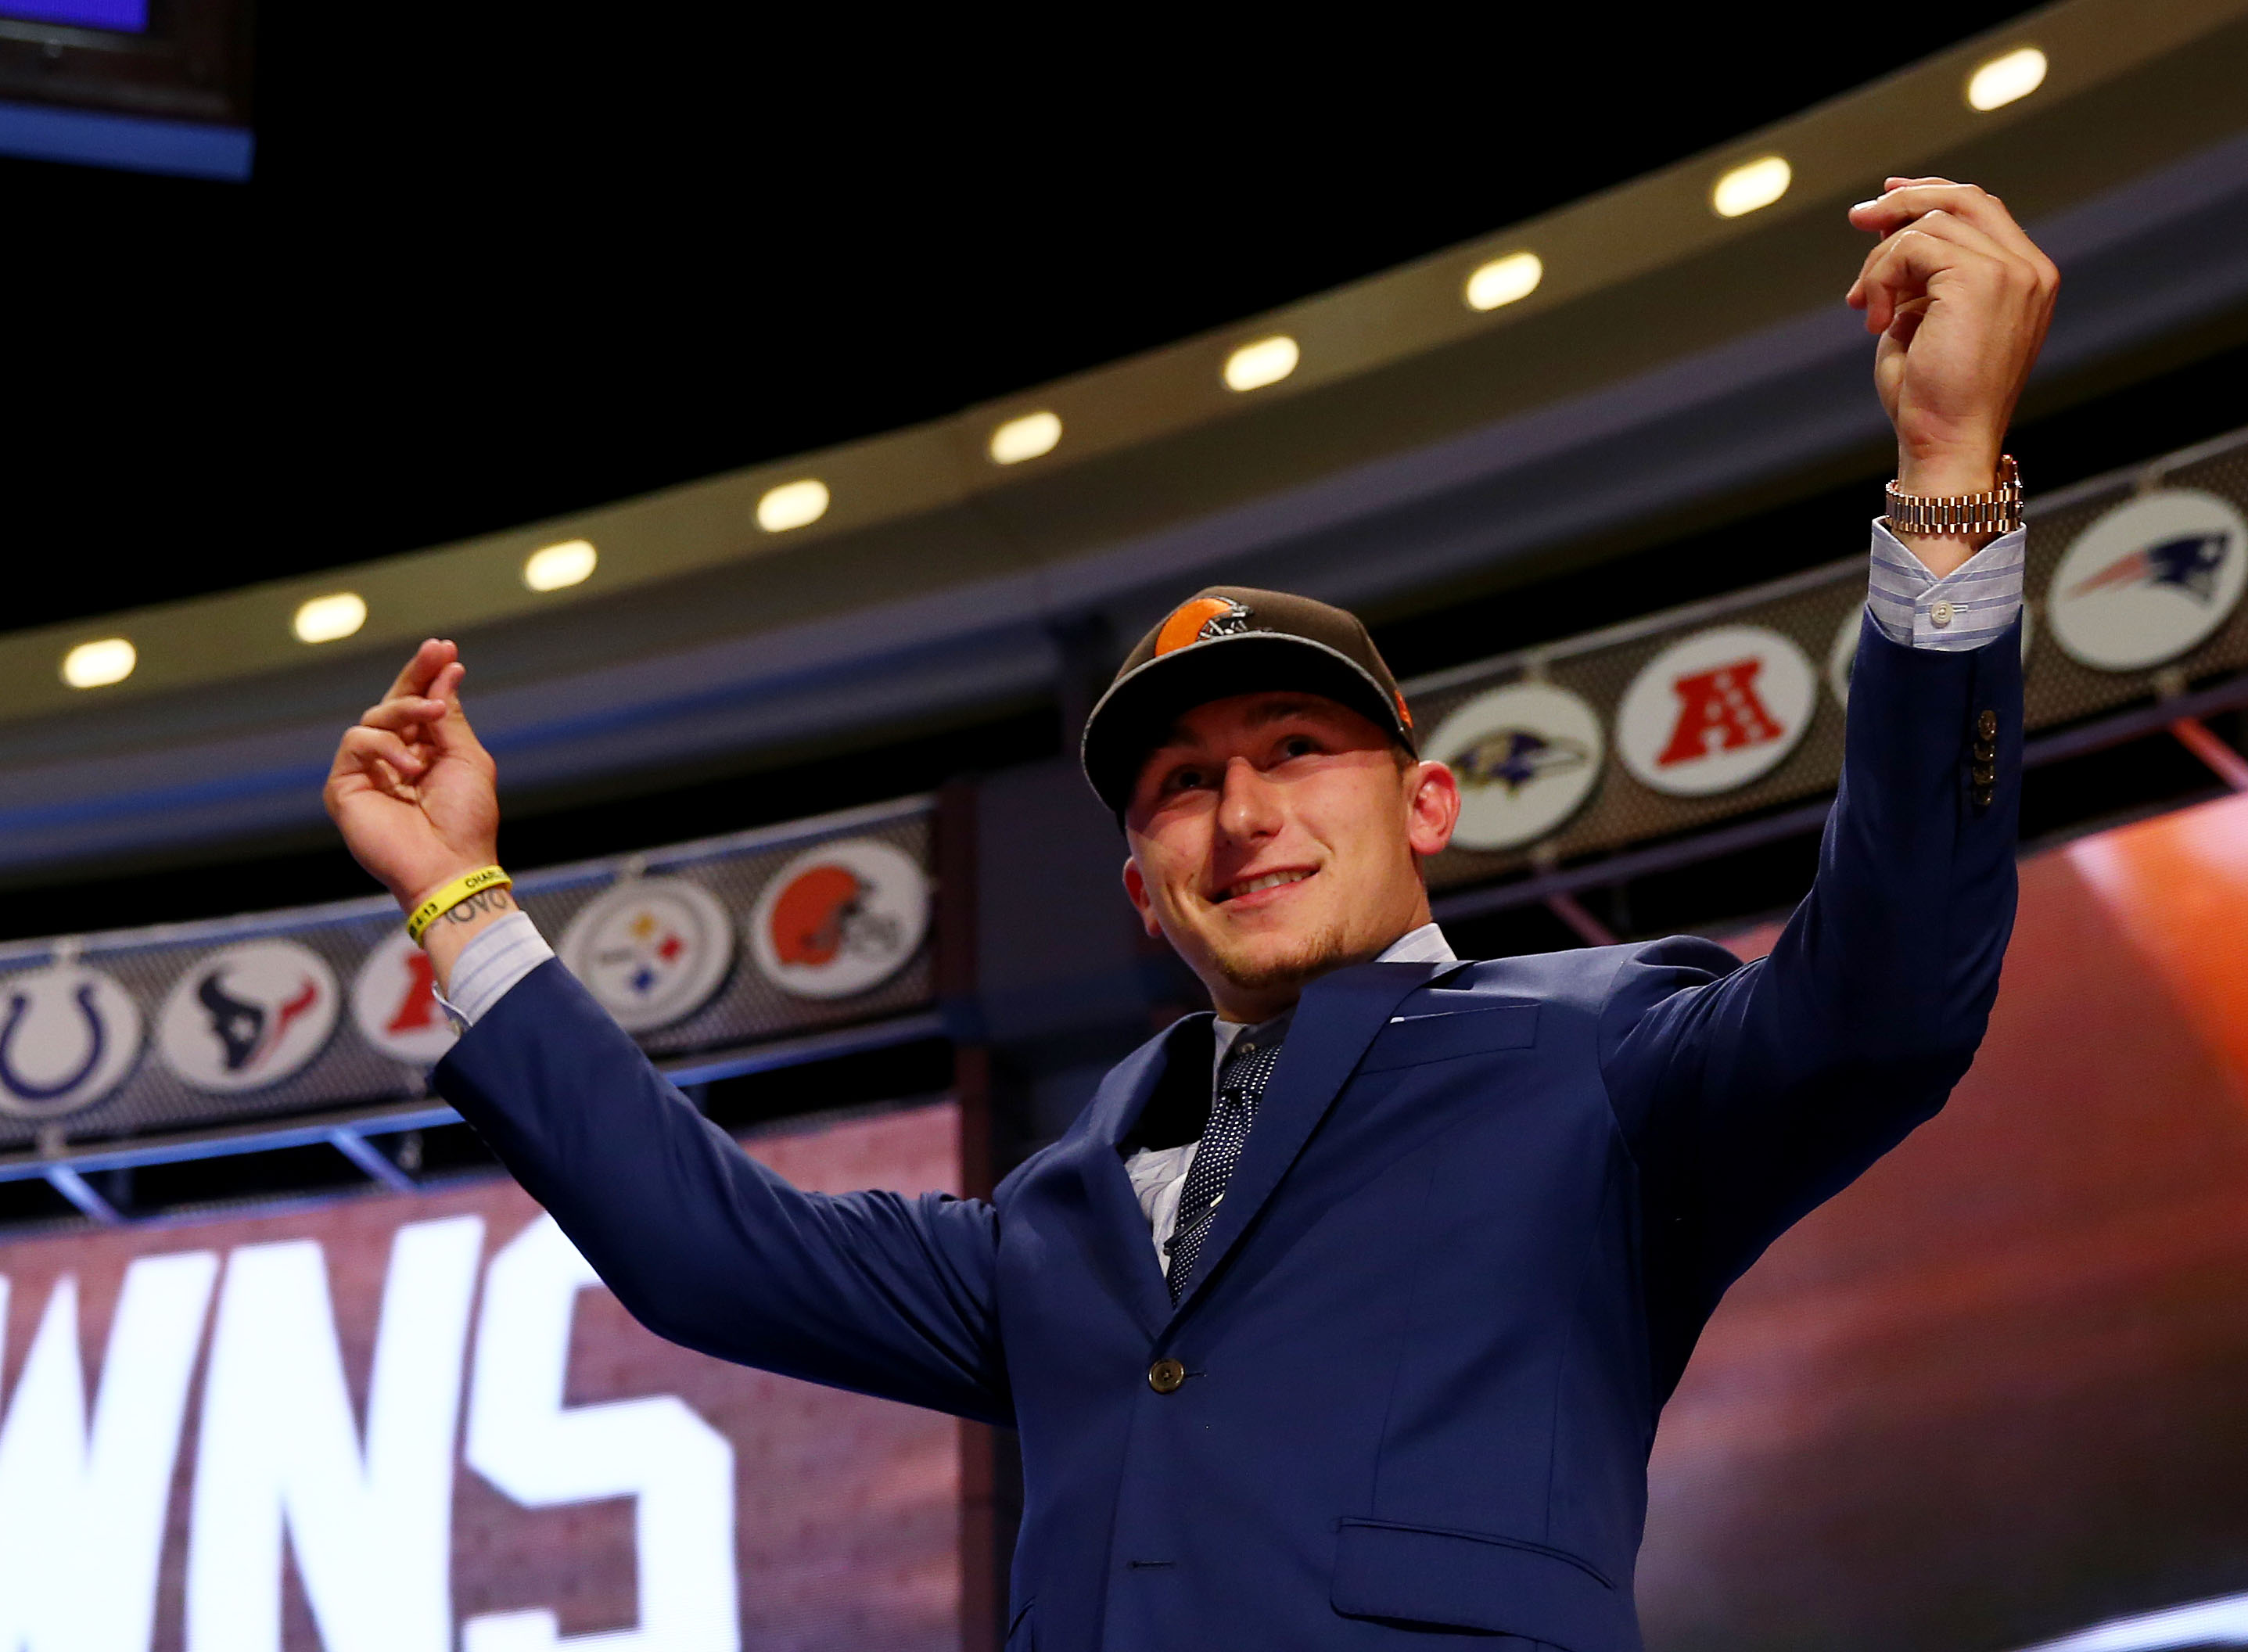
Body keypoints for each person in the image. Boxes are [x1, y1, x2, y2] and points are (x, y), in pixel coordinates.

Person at [325, 178, 2056, 1650]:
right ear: (1143, 894)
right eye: (1177, 790)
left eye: (1297, 750)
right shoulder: (1054, 1218)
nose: (1240, 815)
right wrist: (460, 901)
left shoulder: (1599, 1062)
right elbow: (712, 1253)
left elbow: (1893, 990)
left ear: (1427, 803)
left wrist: (1948, 480)